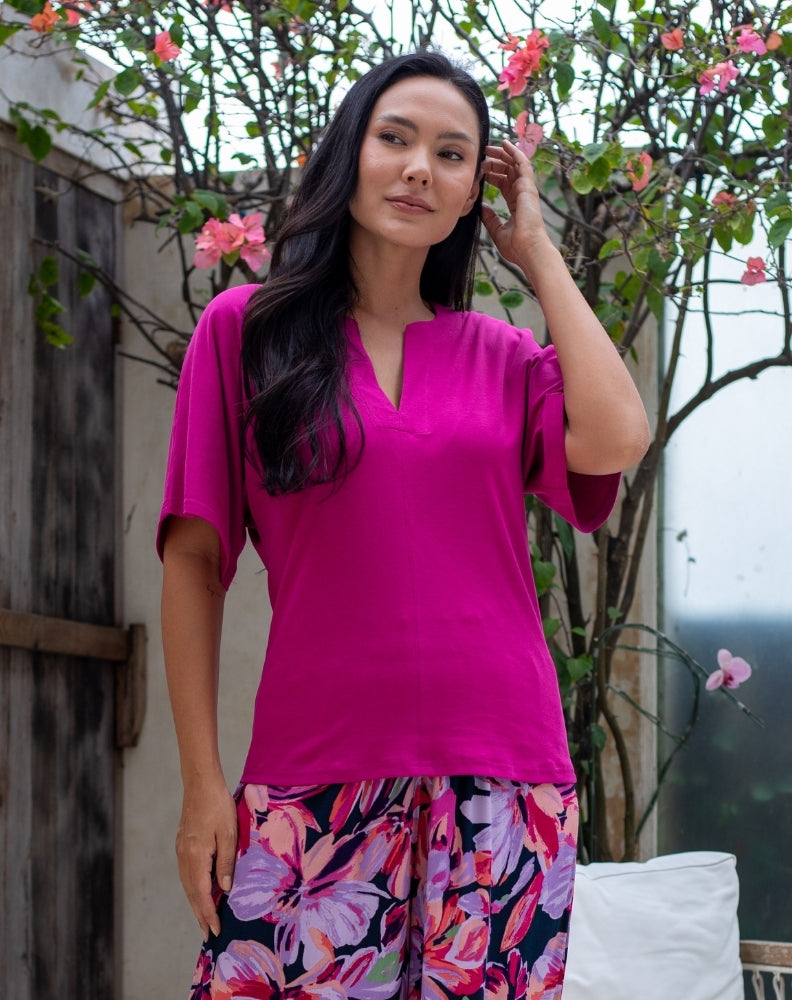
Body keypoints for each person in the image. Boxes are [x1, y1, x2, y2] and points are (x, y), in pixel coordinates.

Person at [158, 50, 649, 1000]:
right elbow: (192, 560)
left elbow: (617, 437)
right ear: (351, 152)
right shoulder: (244, 332)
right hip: (312, 772)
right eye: (396, 138)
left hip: (506, 776)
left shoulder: (506, 357)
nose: (421, 168)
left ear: (473, 192)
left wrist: (536, 253)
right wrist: (201, 785)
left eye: (452, 154)